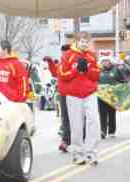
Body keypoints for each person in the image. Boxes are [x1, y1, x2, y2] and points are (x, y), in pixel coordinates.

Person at [57, 32, 101, 166]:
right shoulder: (69, 55)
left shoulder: (91, 56)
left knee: (94, 121)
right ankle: (78, 154)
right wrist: (75, 70)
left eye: (87, 42)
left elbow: (97, 75)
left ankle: (91, 152)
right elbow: (62, 74)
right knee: (76, 124)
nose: (84, 44)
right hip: (74, 95)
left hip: (90, 93)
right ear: (77, 41)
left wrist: (87, 69)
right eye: (82, 41)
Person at [44, 44, 71, 152]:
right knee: (65, 118)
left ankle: (81, 139)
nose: (64, 55)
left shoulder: (74, 63)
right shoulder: (60, 64)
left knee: (77, 118)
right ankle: (65, 141)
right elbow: (55, 73)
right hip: (63, 94)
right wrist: (50, 62)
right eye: (62, 53)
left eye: (66, 53)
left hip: (75, 95)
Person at [98, 56, 121, 139]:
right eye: (103, 61)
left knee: (112, 113)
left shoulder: (115, 70)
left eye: (106, 60)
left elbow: (122, 80)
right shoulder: (99, 70)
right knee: (102, 114)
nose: (105, 62)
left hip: (112, 96)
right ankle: (103, 131)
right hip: (101, 96)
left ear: (110, 61)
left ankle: (111, 131)